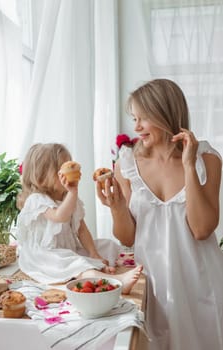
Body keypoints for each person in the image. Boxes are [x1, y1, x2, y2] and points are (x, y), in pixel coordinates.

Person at [96, 79, 223, 349]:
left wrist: (189, 165)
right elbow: (127, 237)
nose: (136, 127)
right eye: (134, 118)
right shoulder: (127, 163)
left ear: (165, 114)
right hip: (153, 285)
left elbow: (202, 229)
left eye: (143, 118)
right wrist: (117, 207)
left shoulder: (207, 159)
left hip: (200, 283)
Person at [16, 143, 142, 294]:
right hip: (44, 255)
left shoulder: (68, 197)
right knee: (78, 263)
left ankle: (96, 267)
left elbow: (81, 229)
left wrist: (94, 253)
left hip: (68, 250)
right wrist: (73, 191)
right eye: (61, 170)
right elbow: (60, 216)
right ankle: (117, 282)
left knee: (107, 245)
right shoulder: (36, 199)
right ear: (41, 176)